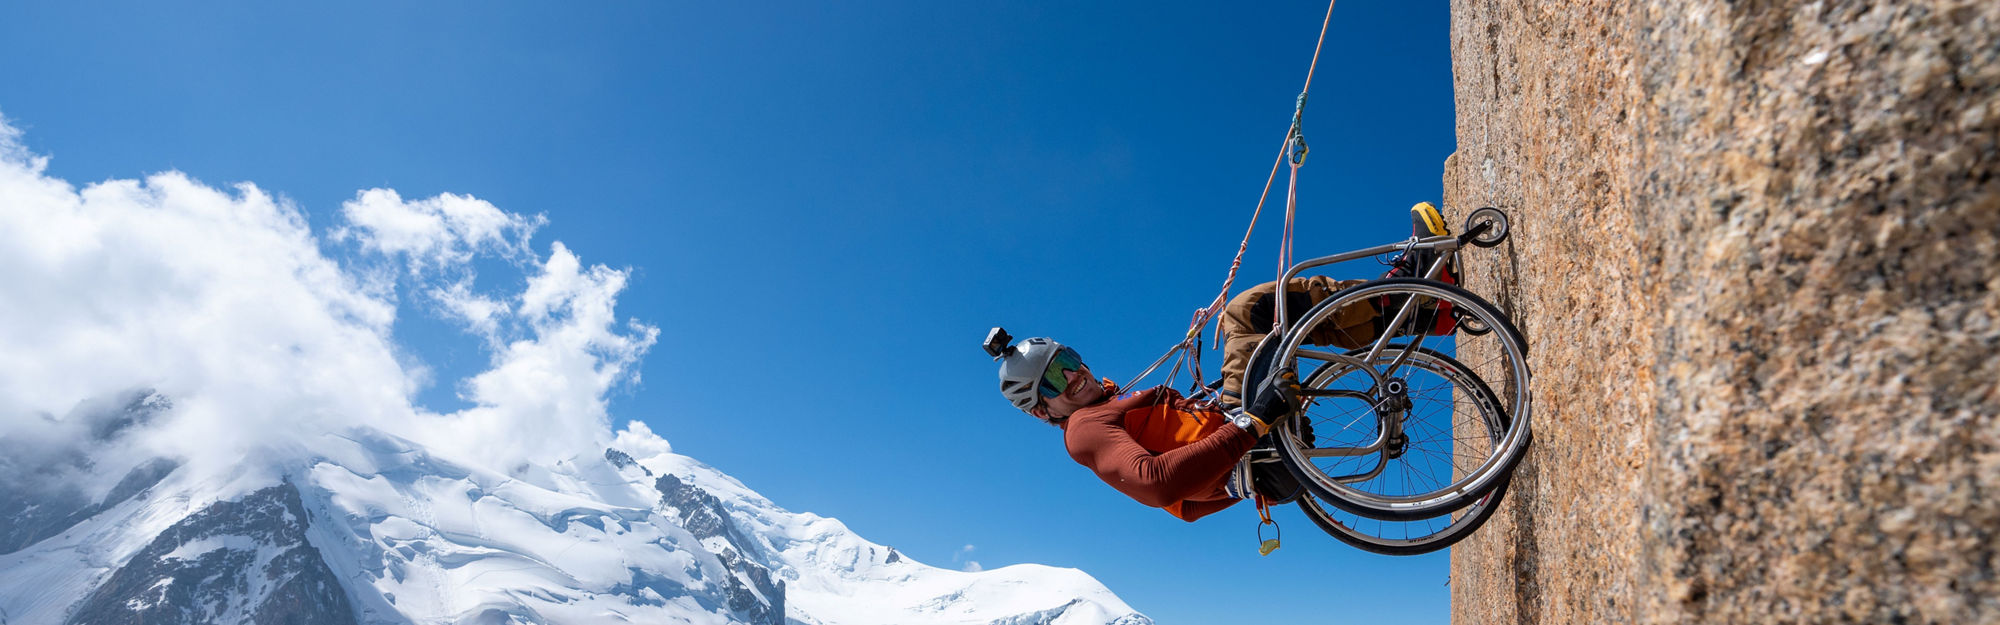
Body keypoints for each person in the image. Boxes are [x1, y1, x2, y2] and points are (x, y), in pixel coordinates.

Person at [989, 203, 1455, 522]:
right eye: (1053, 377)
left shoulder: (1118, 411)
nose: (1072, 374)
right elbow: (1157, 486)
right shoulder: (1084, 431)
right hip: (1249, 442)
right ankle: (1417, 298)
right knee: (1249, 311)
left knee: (1278, 323)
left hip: (1254, 460)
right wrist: (1253, 426)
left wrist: (1244, 483)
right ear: (1040, 410)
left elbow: (1187, 510)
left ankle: (1425, 308)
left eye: (1066, 358)